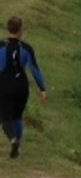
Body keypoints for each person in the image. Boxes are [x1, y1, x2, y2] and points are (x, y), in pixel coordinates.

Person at [1, 16, 47, 159]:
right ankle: (17, 146)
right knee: (17, 116)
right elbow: (34, 69)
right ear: (20, 30)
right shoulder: (27, 48)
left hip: (3, 85)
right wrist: (42, 88)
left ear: (8, 28)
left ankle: (13, 139)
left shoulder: (1, 46)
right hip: (21, 87)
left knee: (4, 117)